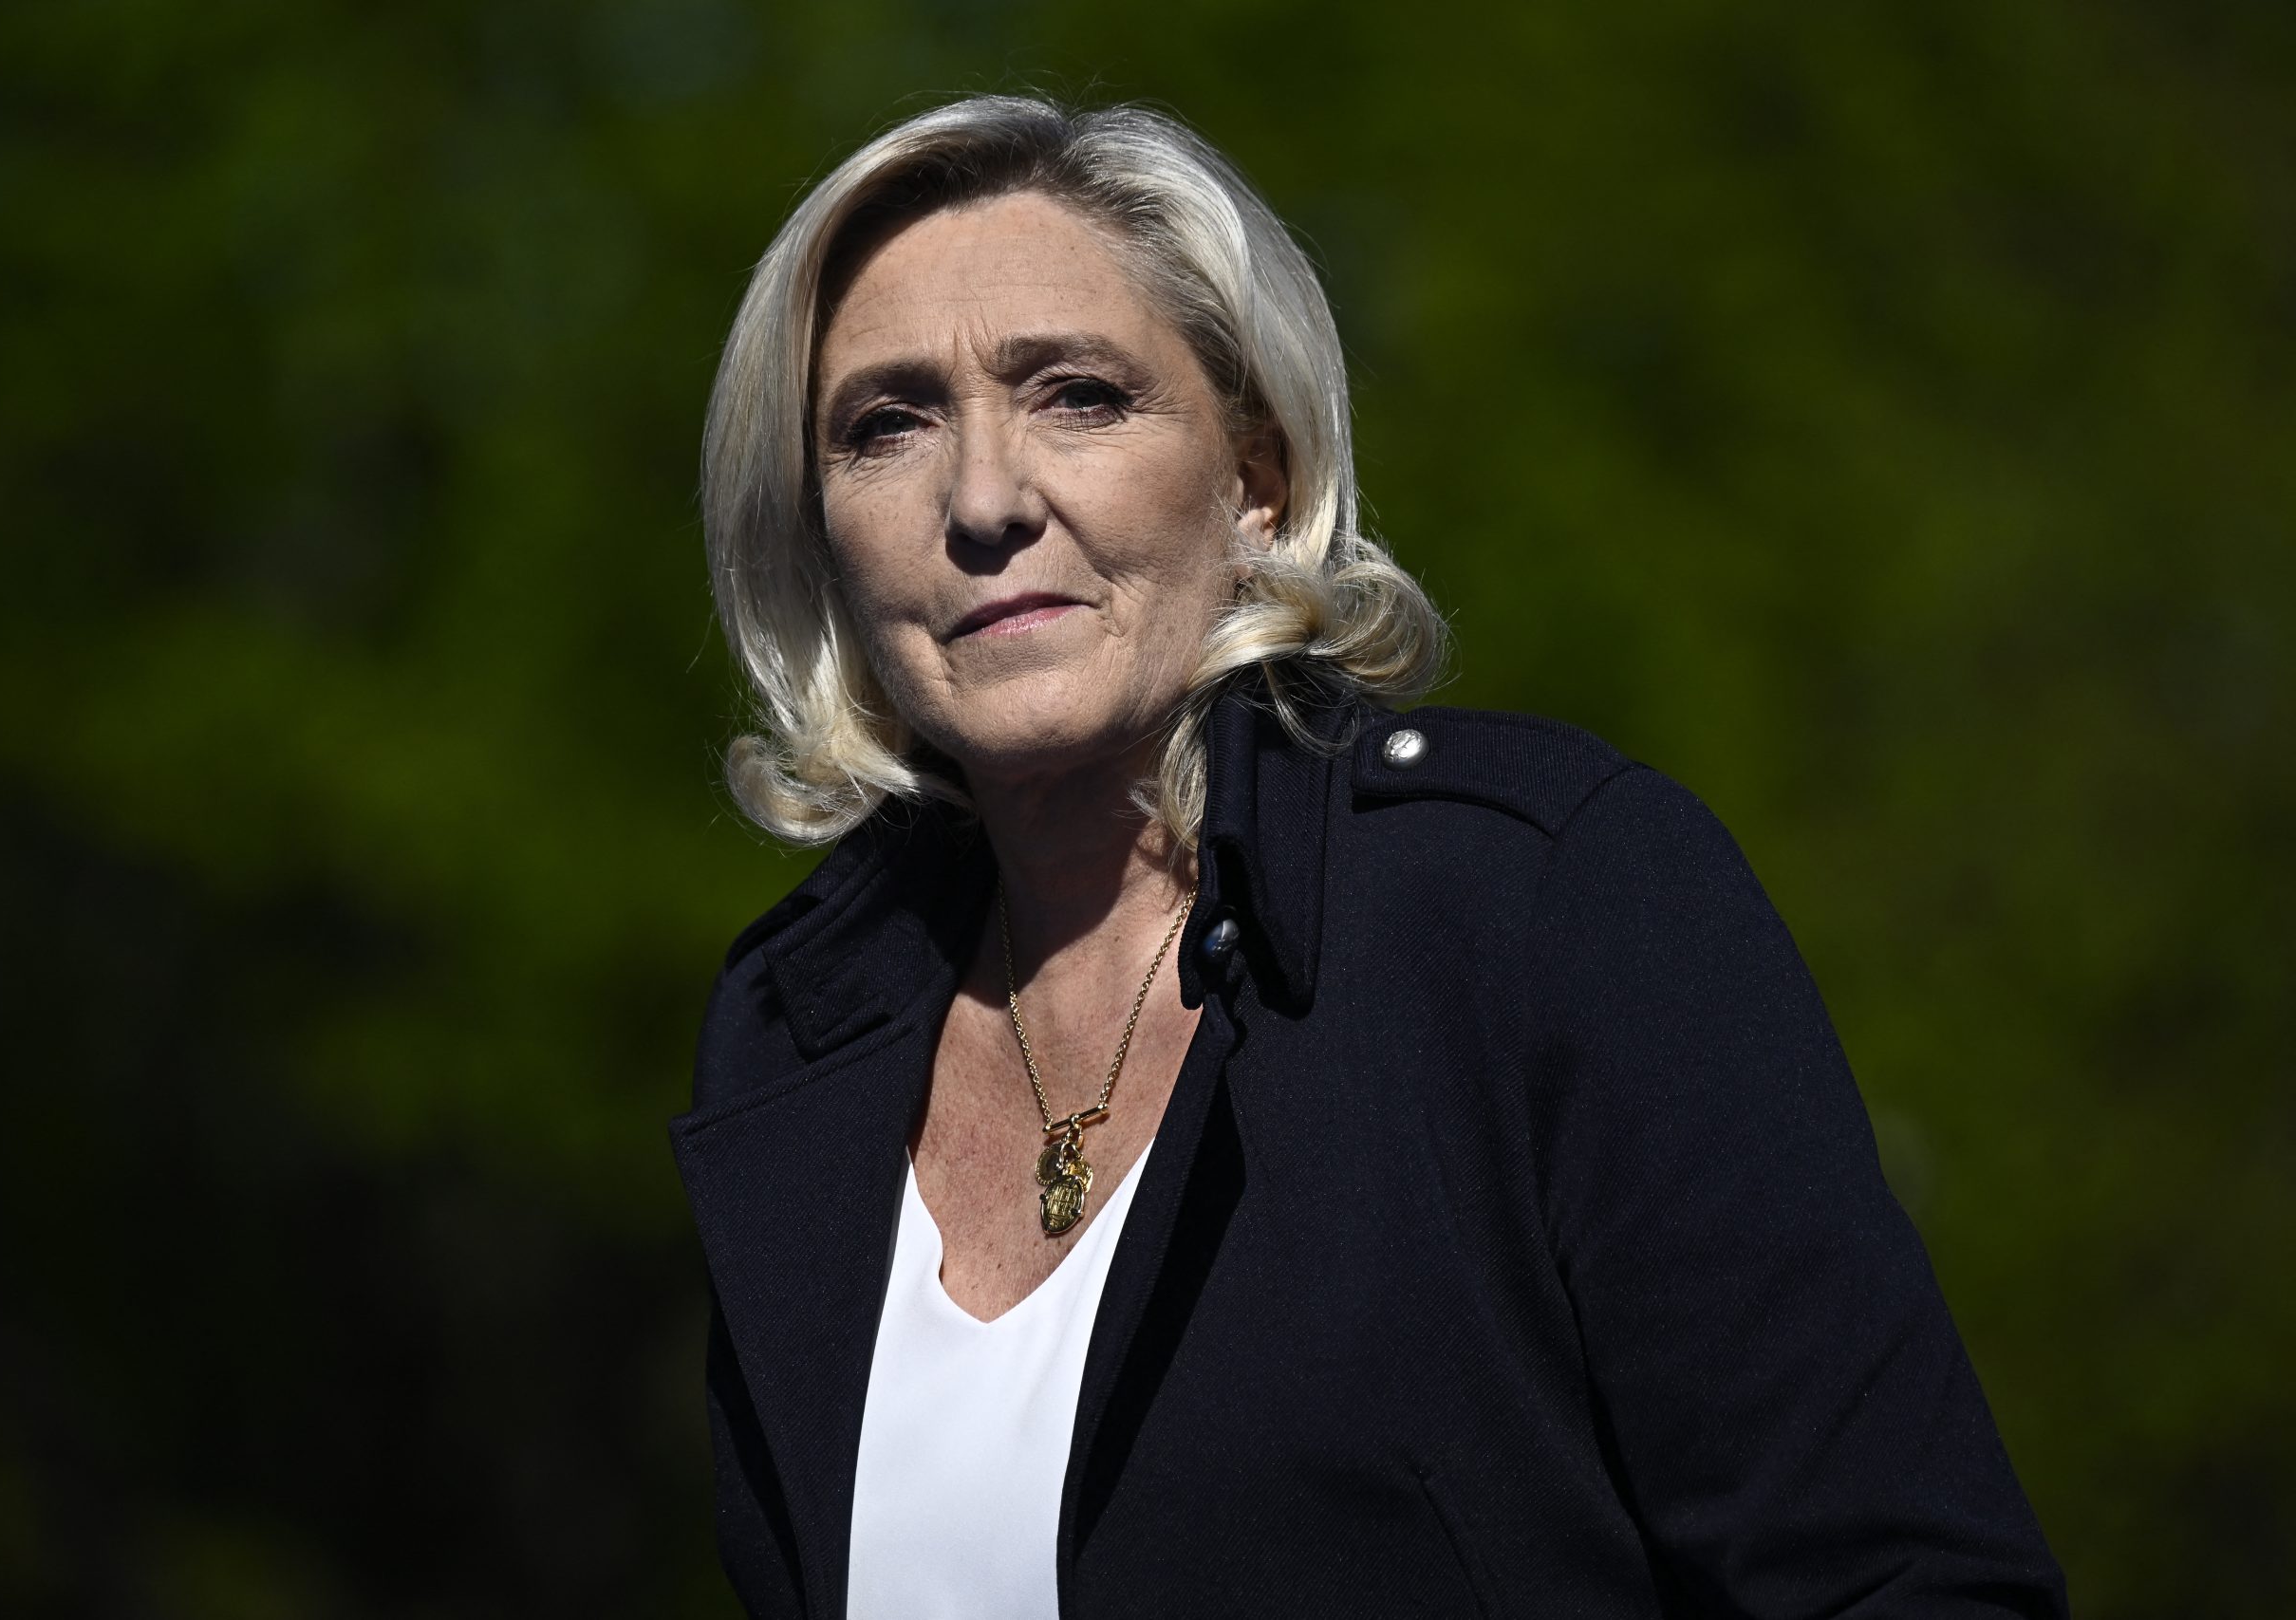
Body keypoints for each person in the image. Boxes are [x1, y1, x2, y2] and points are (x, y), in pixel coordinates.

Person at [670, 94, 2067, 1620]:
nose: (985, 501)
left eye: (1077, 396)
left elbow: (1901, 1587)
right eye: (887, 426)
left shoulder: (1540, 903)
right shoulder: (790, 1031)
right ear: (818, 536)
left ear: (1256, 479)